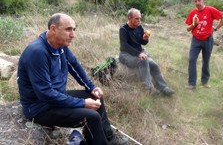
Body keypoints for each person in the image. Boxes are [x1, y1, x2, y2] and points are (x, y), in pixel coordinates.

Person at [17, 13, 128, 145]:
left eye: (74, 30)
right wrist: (82, 103)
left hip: (55, 97)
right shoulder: (37, 52)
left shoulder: (60, 45)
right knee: (91, 116)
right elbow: (45, 94)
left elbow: (74, 66)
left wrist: (91, 87)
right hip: (39, 108)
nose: (73, 34)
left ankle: (108, 139)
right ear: (53, 29)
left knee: (96, 97)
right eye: (68, 29)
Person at [118, 8, 174, 96]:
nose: (139, 20)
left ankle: (163, 87)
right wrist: (139, 54)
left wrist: (145, 39)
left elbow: (142, 42)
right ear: (129, 18)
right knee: (143, 61)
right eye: (136, 18)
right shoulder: (123, 29)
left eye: (140, 18)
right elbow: (124, 45)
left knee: (153, 65)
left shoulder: (139, 27)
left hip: (139, 53)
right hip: (126, 55)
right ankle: (150, 89)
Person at [185, 0, 223, 90]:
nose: (197, 3)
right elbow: (188, 29)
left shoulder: (210, 10)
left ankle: (204, 82)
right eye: (195, 1)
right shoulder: (193, 13)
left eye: (199, 0)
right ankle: (192, 84)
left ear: (203, 0)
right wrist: (194, 24)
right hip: (196, 40)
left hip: (208, 39)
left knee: (206, 61)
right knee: (192, 60)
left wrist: (216, 28)